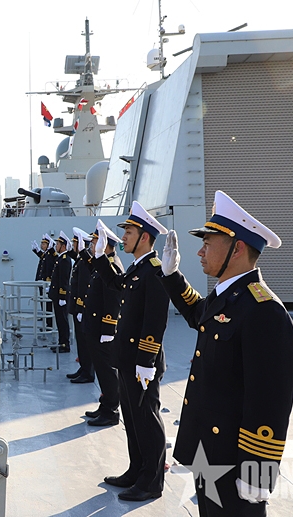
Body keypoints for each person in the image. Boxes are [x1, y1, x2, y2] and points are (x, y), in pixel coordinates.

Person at [158, 191, 293, 516]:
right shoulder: (229, 298)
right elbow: (198, 313)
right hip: (210, 453)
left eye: (209, 243)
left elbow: (270, 405)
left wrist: (257, 473)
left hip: (236, 465)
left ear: (238, 248)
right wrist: (171, 277)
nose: (200, 251)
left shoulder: (263, 310)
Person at [92, 201, 170, 502]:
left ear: (145, 237)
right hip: (127, 359)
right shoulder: (137, 269)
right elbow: (115, 285)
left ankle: (151, 481)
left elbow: (155, 319)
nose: (123, 237)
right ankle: (136, 470)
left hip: (142, 361)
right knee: (133, 418)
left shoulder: (155, 271)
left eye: (129, 232)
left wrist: (147, 360)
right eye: (124, 232)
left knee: (147, 419)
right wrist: (99, 258)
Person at [82, 221, 124, 422]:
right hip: (95, 327)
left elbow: (114, 300)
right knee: (101, 369)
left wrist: (108, 329)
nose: (92, 246)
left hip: (103, 329)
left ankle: (111, 411)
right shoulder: (103, 264)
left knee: (107, 371)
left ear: (105, 245)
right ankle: (105, 403)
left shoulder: (112, 265)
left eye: (96, 242)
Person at [66, 227, 94, 382]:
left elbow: (84, 285)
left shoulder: (84, 262)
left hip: (82, 307)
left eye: (75, 243)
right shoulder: (80, 260)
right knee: (80, 341)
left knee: (85, 342)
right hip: (77, 307)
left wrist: (81, 307)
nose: (73, 246)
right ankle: (83, 368)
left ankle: (88, 372)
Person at [48, 231, 73, 353]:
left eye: (57, 244)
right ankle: (61, 342)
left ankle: (65, 345)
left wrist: (62, 296)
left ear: (63, 246)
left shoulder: (65, 260)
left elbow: (64, 279)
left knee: (63, 321)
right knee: (59, 321)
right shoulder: (60, 259)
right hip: (57, 295)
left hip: (61, 297)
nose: (56, 246)